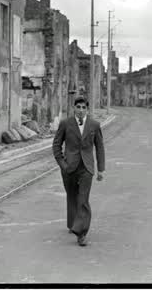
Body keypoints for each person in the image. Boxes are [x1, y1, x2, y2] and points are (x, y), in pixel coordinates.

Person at [52, 97, 105, 246]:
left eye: (83, 108)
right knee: (72, 196)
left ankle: (81, 233)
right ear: (74, 108)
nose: (81, 110)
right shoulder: (65, 124)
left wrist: (101, 169)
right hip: (69, 167)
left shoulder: (94, 125)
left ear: (87, 109)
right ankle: (72, 223)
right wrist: (63, 164)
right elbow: (56, 146)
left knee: (83, 200)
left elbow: (100, 147)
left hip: (87, 168)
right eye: (78, 107)